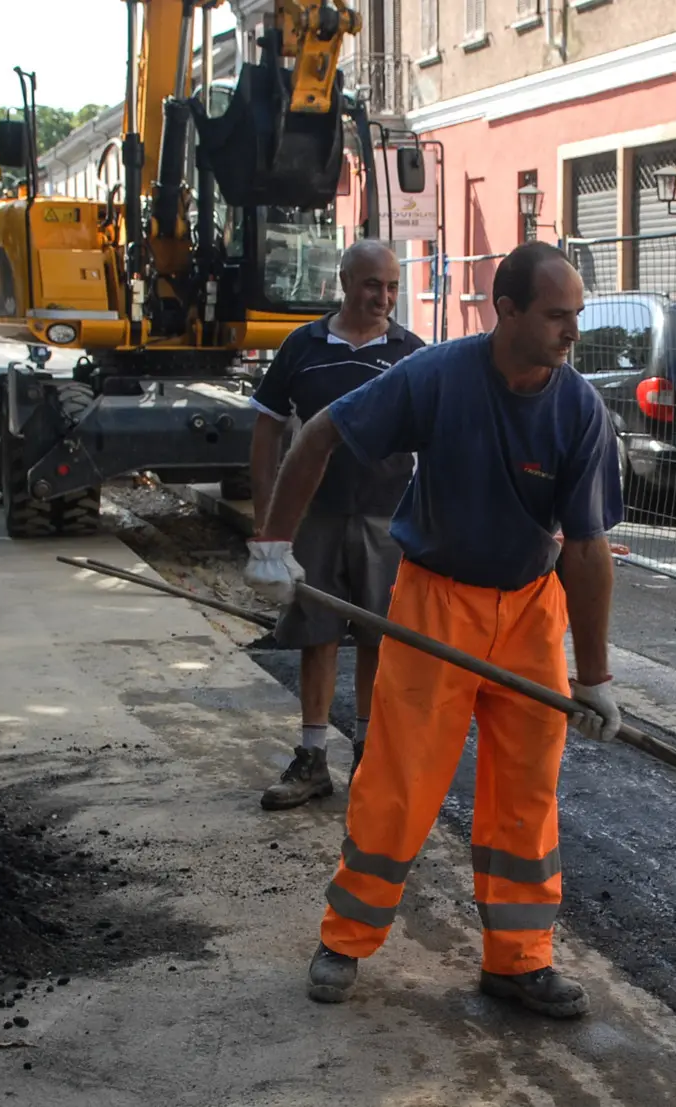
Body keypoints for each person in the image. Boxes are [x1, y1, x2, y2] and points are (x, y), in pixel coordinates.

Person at [244, 241, 624, 1019]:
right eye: (557, 315)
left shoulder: (580, 409)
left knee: (526, 793)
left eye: (577, 316)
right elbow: (318, 432)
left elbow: (585, 550)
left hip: (527, 608)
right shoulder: (438, 376)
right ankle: (345, 938)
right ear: (506, 309)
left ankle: (518, 961)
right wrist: (274, 544)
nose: (570, 332)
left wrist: (594, 677)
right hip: (434, 602)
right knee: (400, 777)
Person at [247, 238, 425, 811]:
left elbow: (439, 441)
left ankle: (370, 757)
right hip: (316, 517)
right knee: (317, 635)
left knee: (378, 638)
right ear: (344, 282)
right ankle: (313, 760)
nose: (384, 297)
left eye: (393, 286)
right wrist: (267, 526)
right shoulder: (303, 346)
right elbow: (268, 428)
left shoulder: (412, 354)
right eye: (373, 284)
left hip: (386, 519)